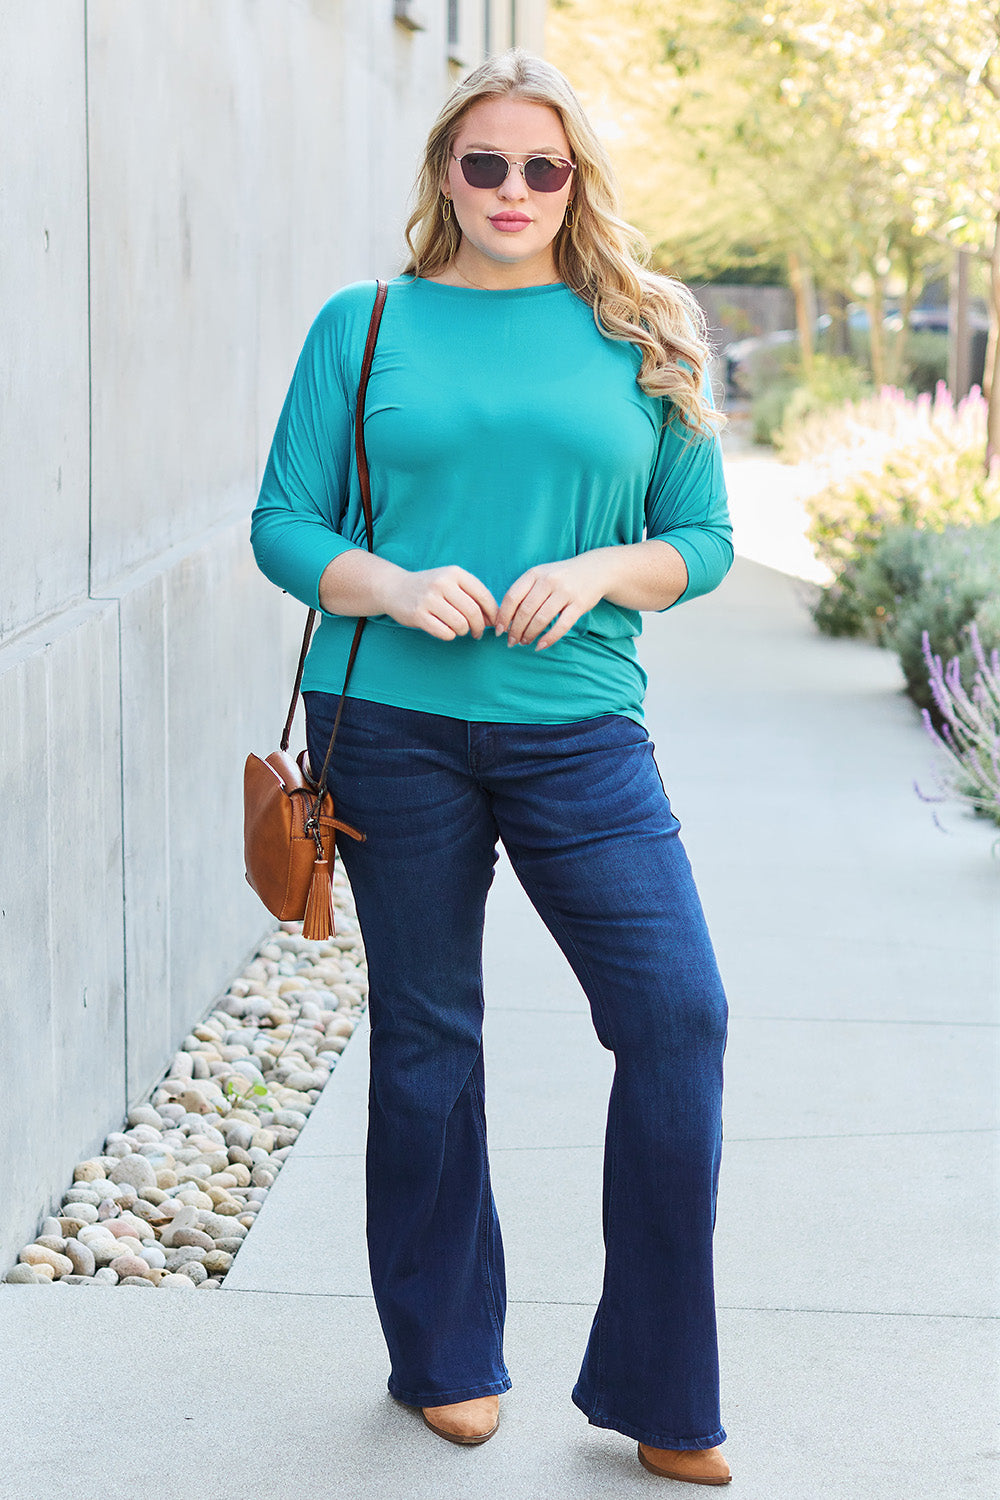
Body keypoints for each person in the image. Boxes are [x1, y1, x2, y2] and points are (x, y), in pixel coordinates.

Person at [251, 48, 733, 1487]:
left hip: (581, 729)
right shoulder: (369, 324)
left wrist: (595, 570)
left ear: (575, 181)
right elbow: (284, 523)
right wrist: (390, 587)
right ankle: (443, 1354)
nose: (514, 190)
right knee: (428, 1043)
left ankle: (663, 1384)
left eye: (544, 166)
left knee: (677, 1017)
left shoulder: (641, 329)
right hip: (385, 728)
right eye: (486, 164)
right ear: (444, 178)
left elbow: (701, 540)